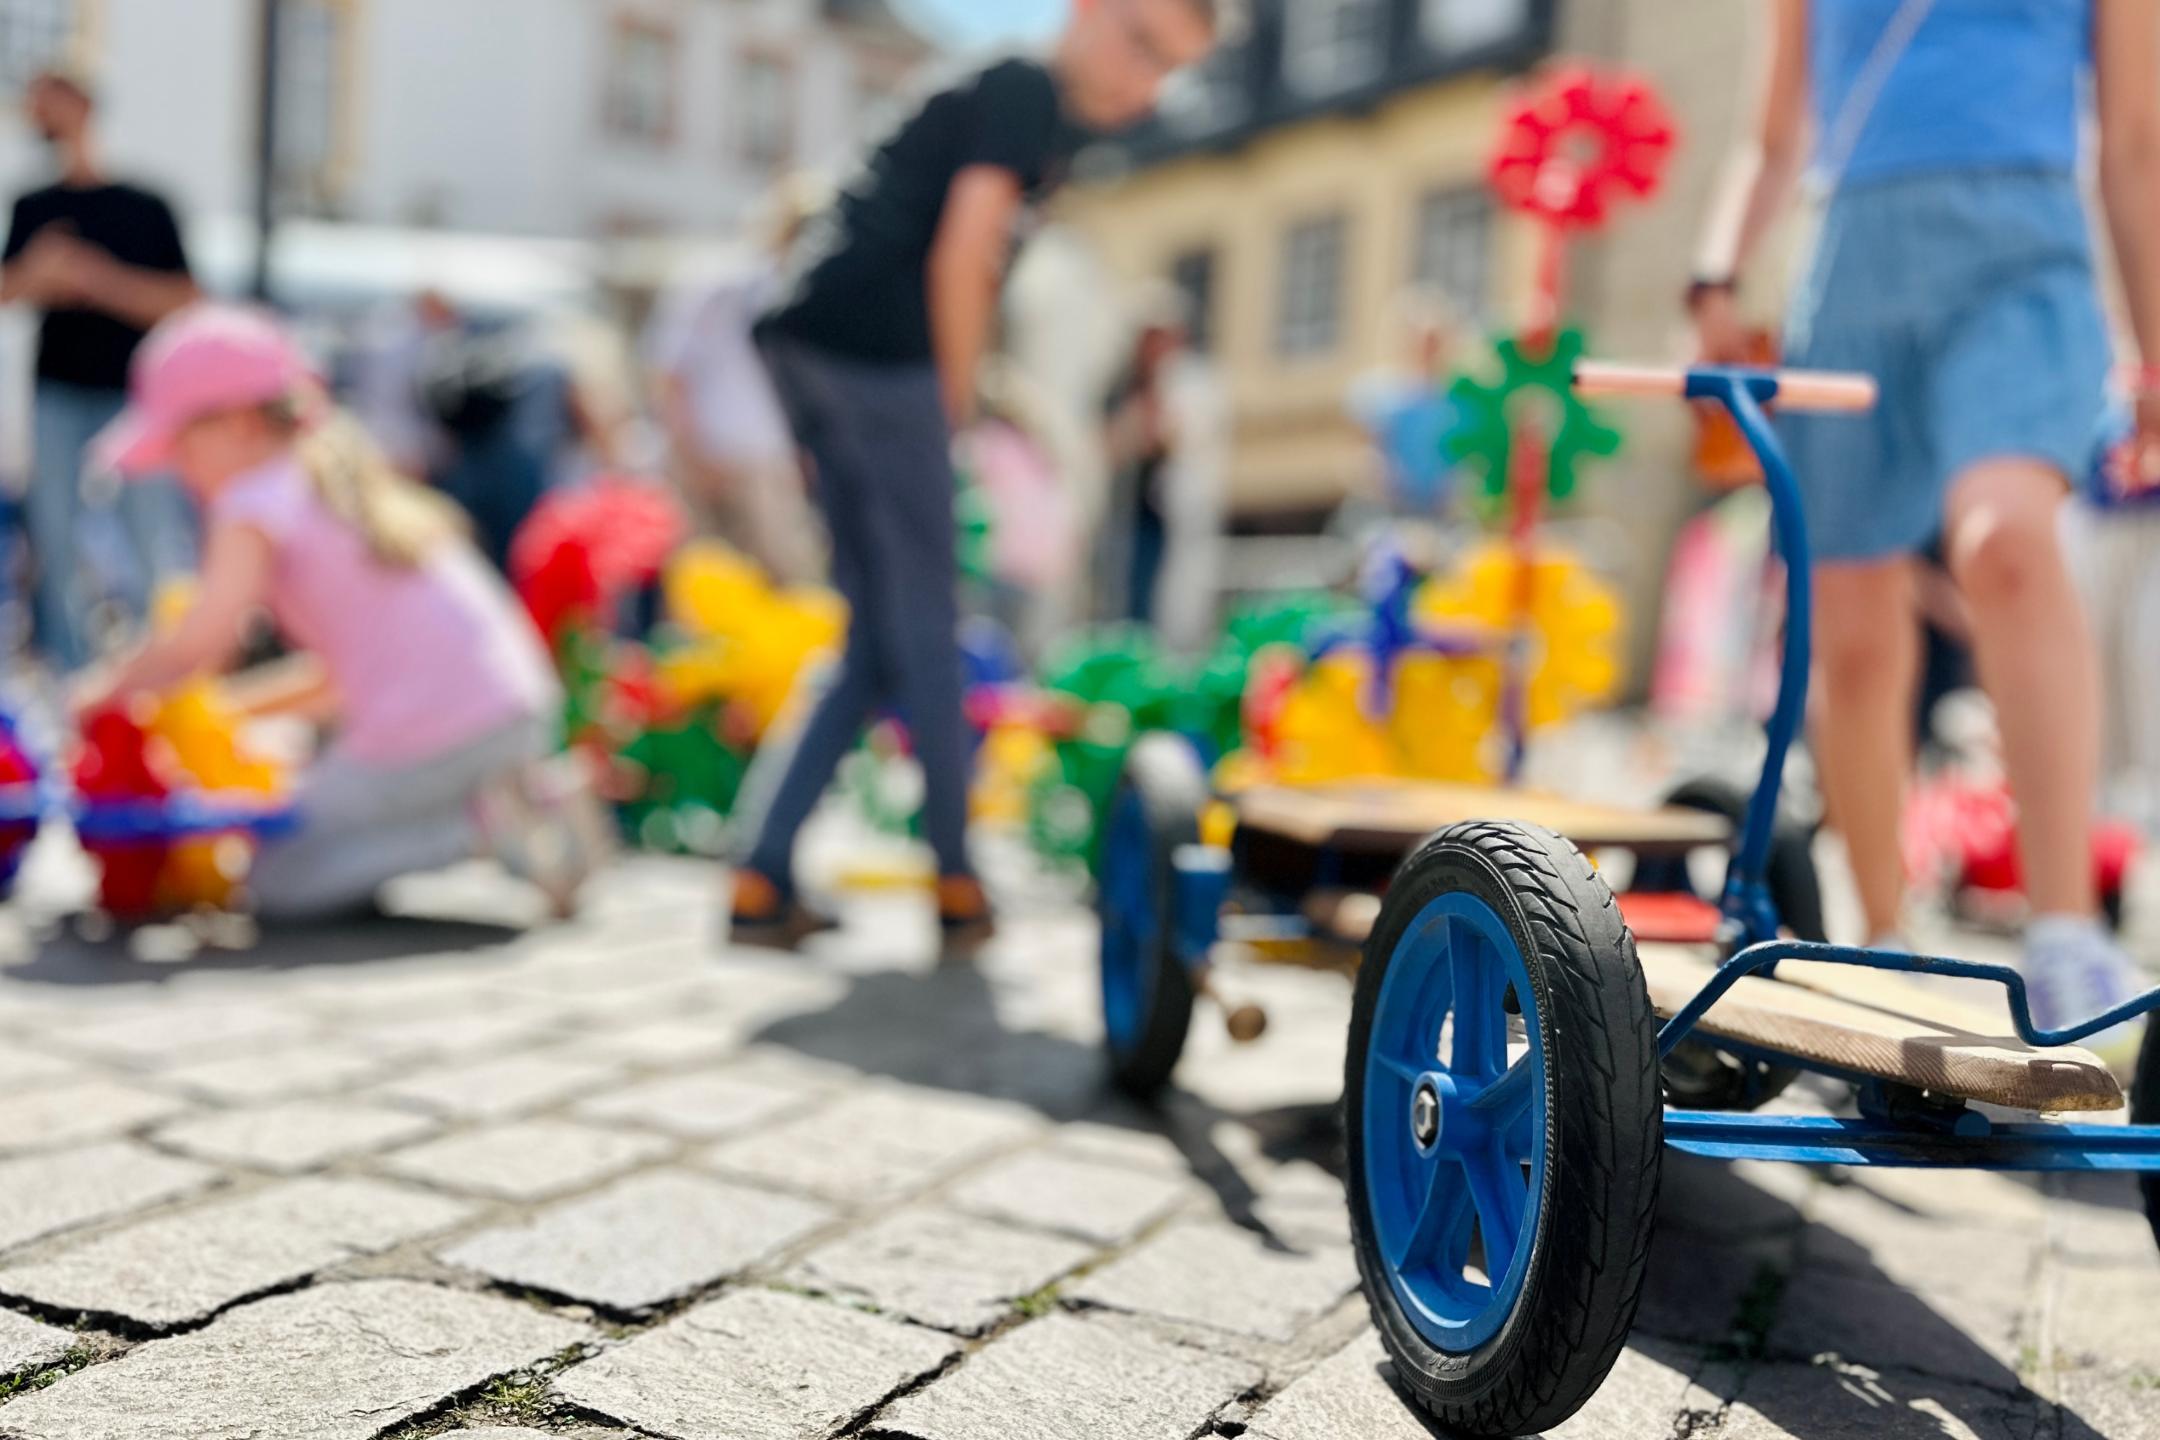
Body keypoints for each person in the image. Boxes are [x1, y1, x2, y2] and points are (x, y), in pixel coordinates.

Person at [1690, 0, 2160, 1052]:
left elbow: (2135, 142)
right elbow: (1770, 141)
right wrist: (1715, 273)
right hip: (1850, 273)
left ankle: (2066, 929)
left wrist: (2154, 346)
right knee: (1852, 635)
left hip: (2024, 264)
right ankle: (1883, 935)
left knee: (2007, 546)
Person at [729, 0, 1223, 949]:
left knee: (881, 632)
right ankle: (958, 880)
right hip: (880, 352)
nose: (1145, 82)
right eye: (1142, 44)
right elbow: (966, 253)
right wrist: (954, 413)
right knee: (929, 624)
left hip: (814, 341)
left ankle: (762, 869)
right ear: (1089, 11)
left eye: (1171, 70)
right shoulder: (1023, 87)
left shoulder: (1032, 108)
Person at [75, 306, 583, 921]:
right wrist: (232, 713)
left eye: (181, 446)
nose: (180, 471)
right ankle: (507, 803)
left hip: (440, 733)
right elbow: (340, 682)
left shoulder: (251, 500)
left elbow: (198, 645)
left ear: (237, 423)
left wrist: (99, 694)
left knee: (276, 878)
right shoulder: (328, 481)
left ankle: (479, 830)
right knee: (318, 816)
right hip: (510, 710)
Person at [2, 67, 199, 671]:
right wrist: (42, 272)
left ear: (81, 103)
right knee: (55, 536)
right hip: (58, 392)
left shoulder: (145, 204)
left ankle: (159, 668)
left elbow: (185, 300)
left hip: (134, 397)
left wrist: (95, 278)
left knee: (150, 535)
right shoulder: (34, 205)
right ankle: (69, 674)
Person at [646, 182, 826, 586]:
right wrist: (690, 455)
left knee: (782, 589)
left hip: (770, 469)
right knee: (704, 588)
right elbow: (669, 375)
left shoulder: (804, 297)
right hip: (708, 461)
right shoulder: (719, 285)